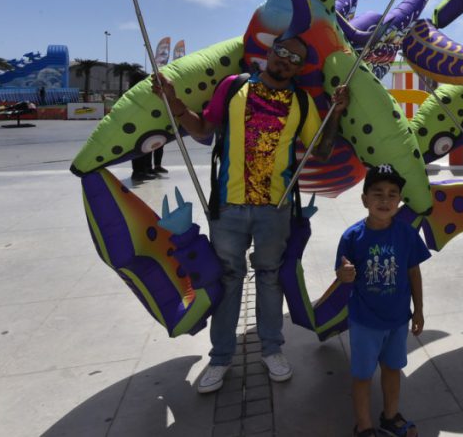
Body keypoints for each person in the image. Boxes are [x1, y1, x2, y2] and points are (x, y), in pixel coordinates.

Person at [152, 34, 348, 394]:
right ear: (269, 54)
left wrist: (335, 112)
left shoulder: (303, 103)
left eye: (295, 58)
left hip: (276, 210)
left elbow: (320, 150)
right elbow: (202, 130)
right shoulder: (233, 87)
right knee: (228, 280)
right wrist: (174, 102)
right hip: (228, 206)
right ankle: (221, 357)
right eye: (282, 52)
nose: (285, 60)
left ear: (300, 68)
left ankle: (272, 350)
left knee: (269, 277)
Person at [336, 164, 429, 437]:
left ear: (399, 201)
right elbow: (342, 275)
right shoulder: (352, 237)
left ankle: (390, 416)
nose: (385, 200)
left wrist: (419, 310)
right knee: (363, 375)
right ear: (364, 199)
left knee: (393, 368)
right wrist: (344, 274)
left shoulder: (407, 234)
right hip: (365, 320)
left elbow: (414, 272)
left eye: (392, 194)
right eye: (377, 193)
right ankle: (364, 425)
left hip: (399, 318)